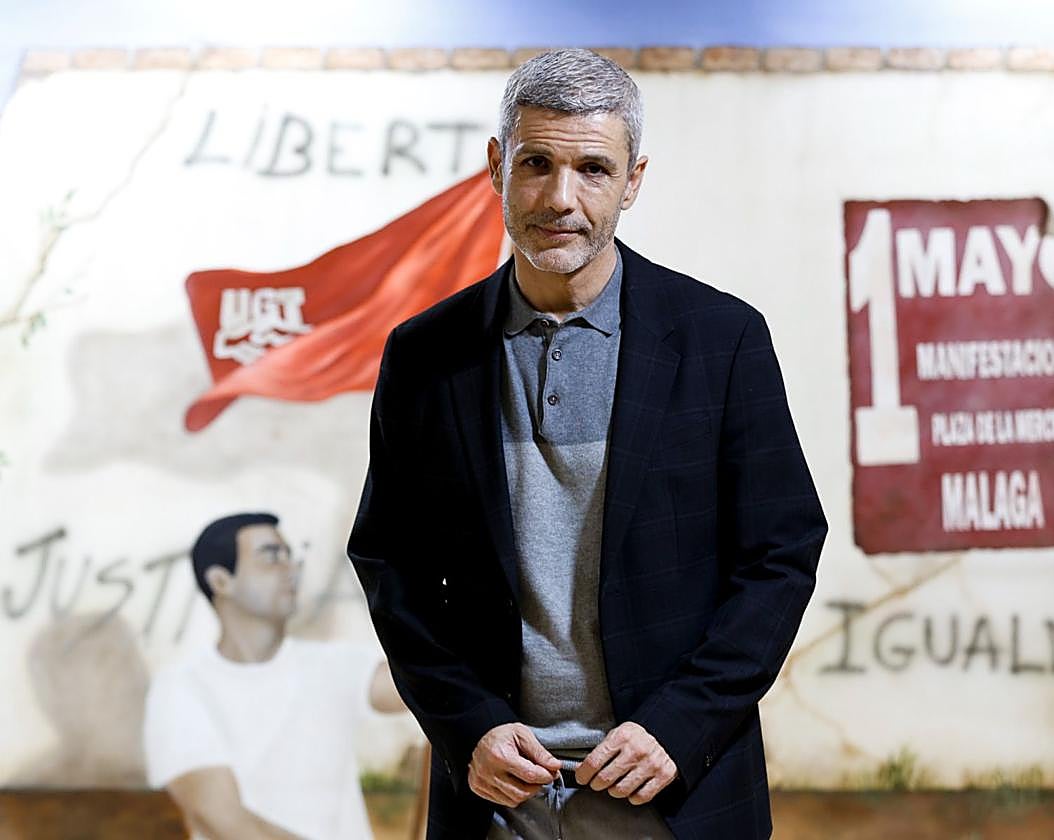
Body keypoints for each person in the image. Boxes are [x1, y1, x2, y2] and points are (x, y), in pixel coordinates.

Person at [348, 48, 826, 839]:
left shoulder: (722, 340)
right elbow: (390, 566)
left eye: (593, 170)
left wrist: (681, 724)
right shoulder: (424, 355)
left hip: (675, 791)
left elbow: (780, 554)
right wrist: (467, 725)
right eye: (536, 163)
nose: (560, 199)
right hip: (498, 797)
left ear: (633, 181)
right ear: (498, 166)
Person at [144, 512, 407, 840]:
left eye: (289, 556)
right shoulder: (181, 689)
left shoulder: (334, 665)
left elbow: (422, 688)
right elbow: (224, 821)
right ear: (221, 581)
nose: (290, 568)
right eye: (270, 557)